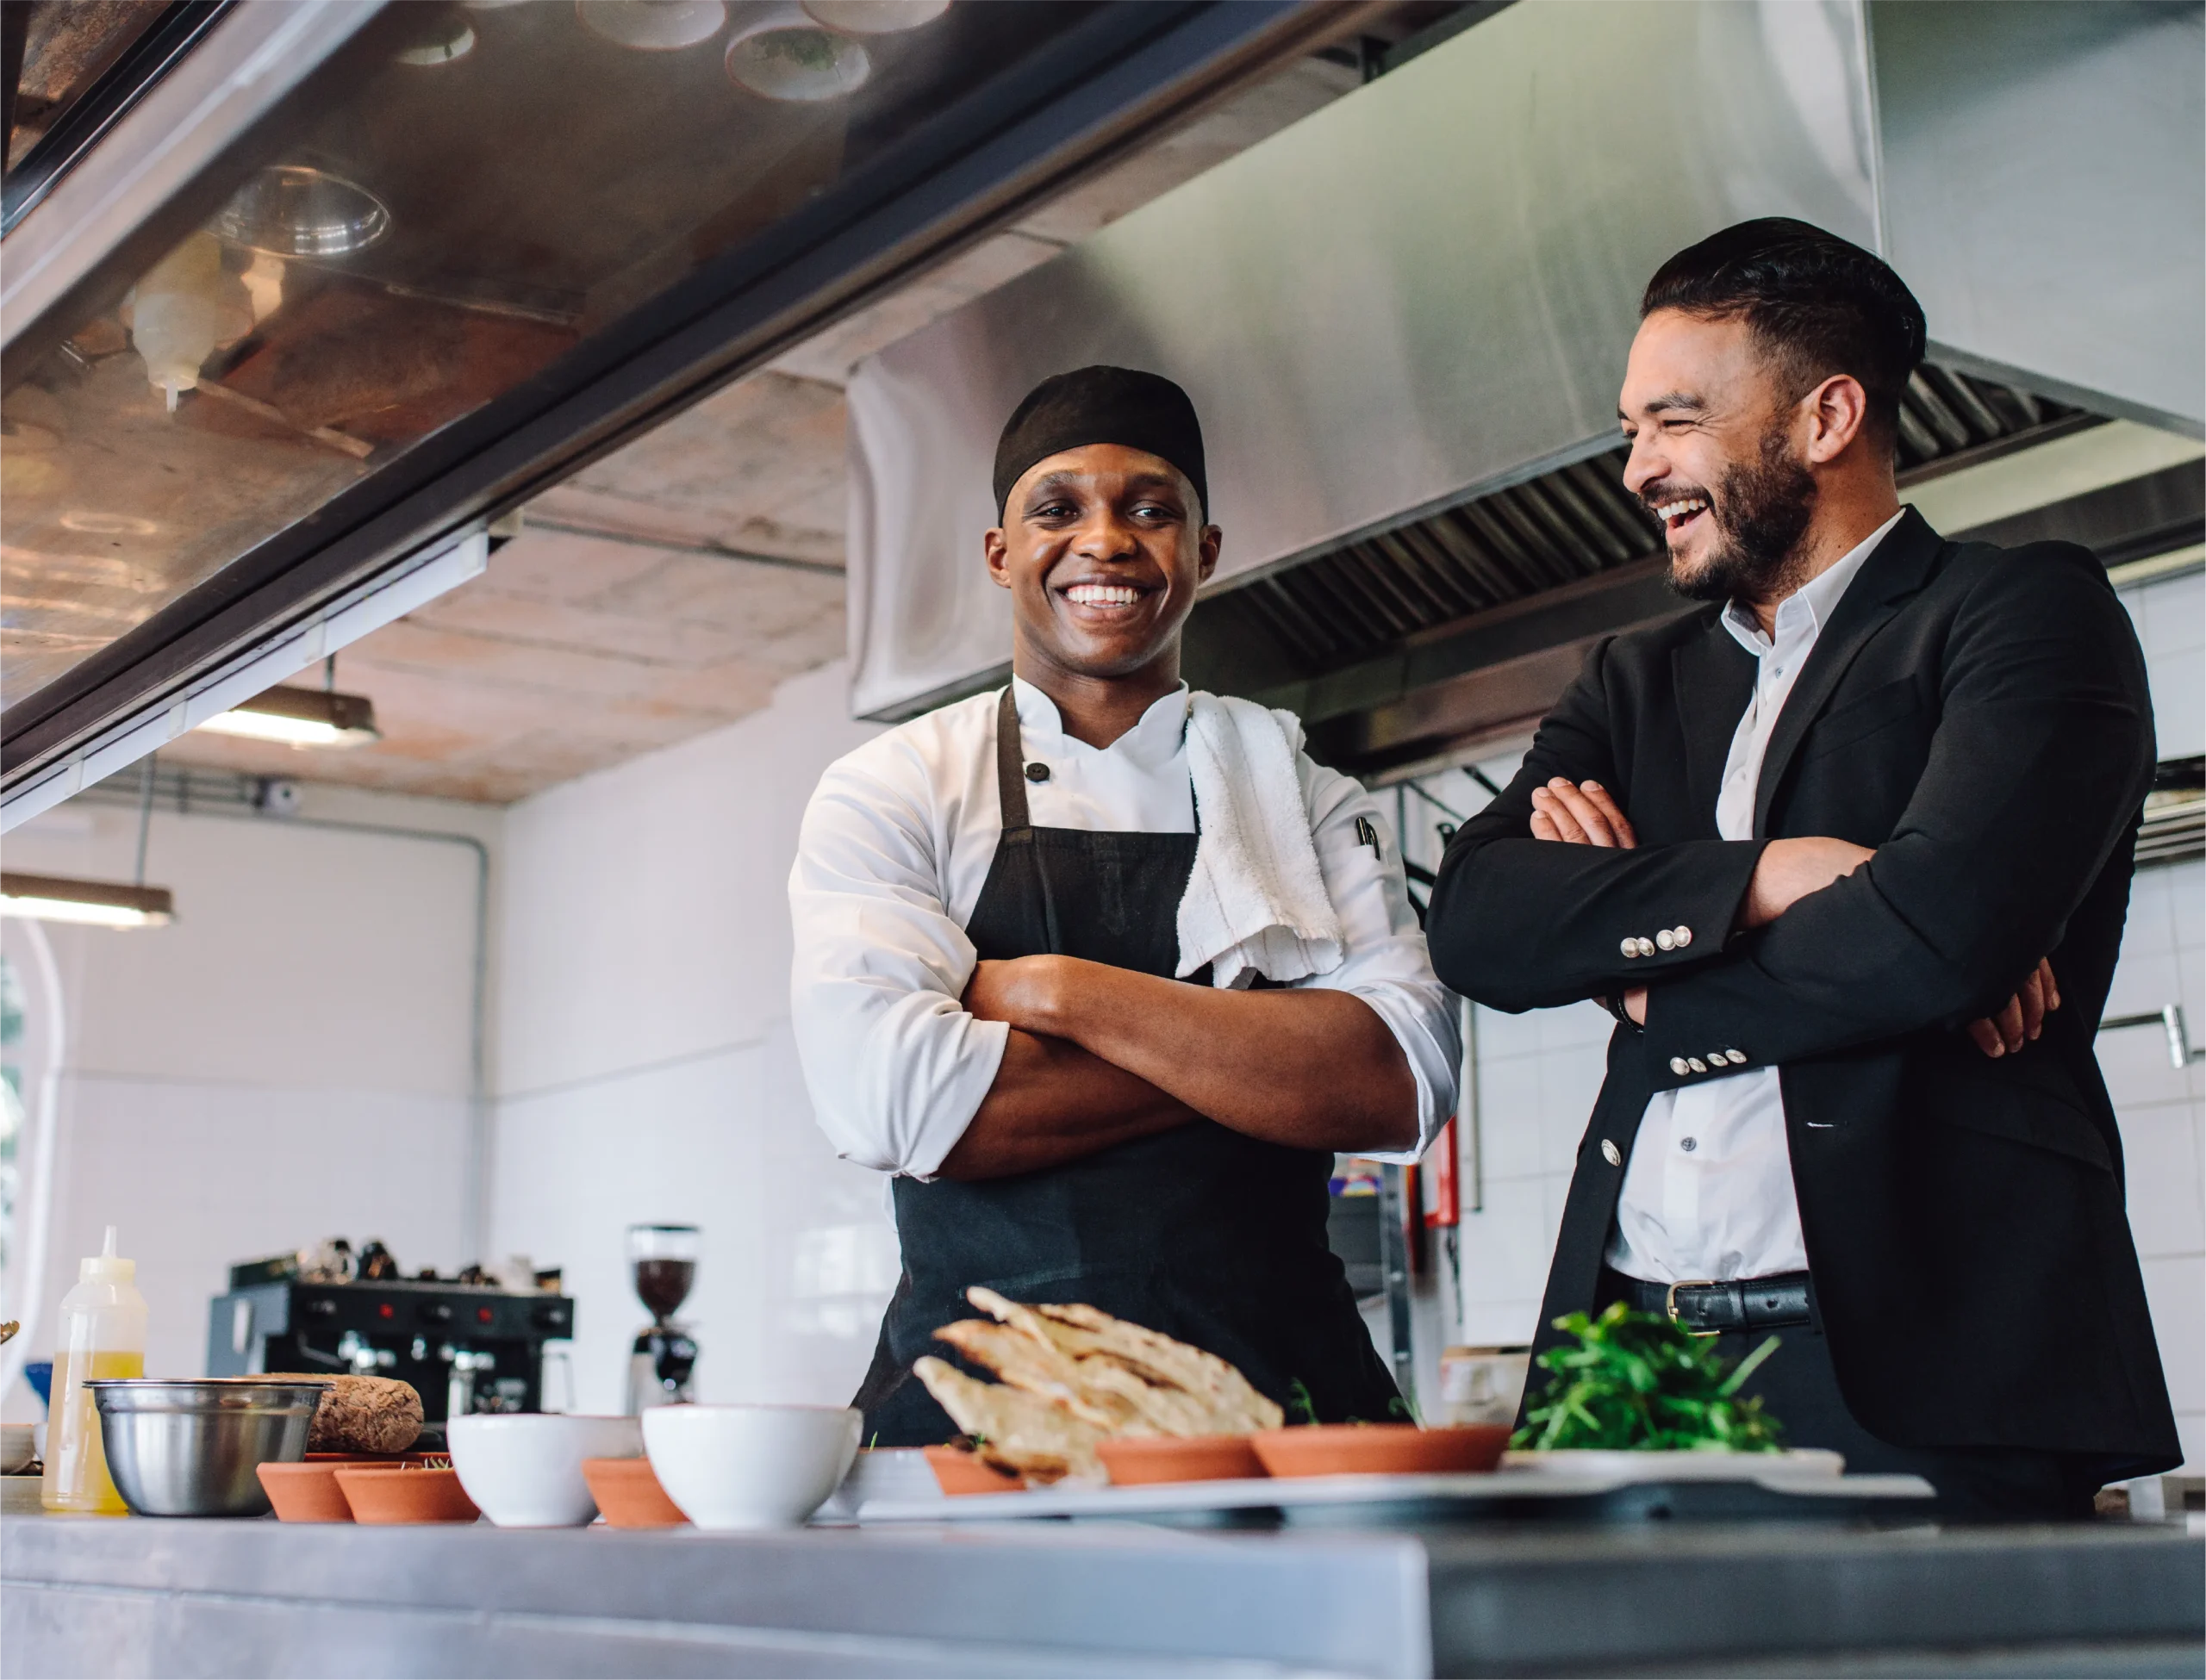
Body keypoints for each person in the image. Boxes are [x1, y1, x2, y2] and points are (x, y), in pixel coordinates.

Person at [1425, 219, 2178, 1520]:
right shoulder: (1634, 679)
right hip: (1636, 1357)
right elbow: (1482, 925)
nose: (1638, 469)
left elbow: (1937, 934)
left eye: (1673, 422)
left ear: (1827, 416)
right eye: (1630, 430)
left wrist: (1641, 980)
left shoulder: (2020, 613)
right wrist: (1764, 879)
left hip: (1924, 1365)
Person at [790, 366, 1459, 1445]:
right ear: (1001, 554)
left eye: (1151, 509)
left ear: (1203, 551)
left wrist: (1056, 992)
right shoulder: (898, 785)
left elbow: (1397, 1082)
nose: (1105, 540)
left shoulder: (1301, 791)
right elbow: (900, 1109)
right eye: (1058, 509)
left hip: (1282, 1405)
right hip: (983, 1410)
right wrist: (1263, 1054)